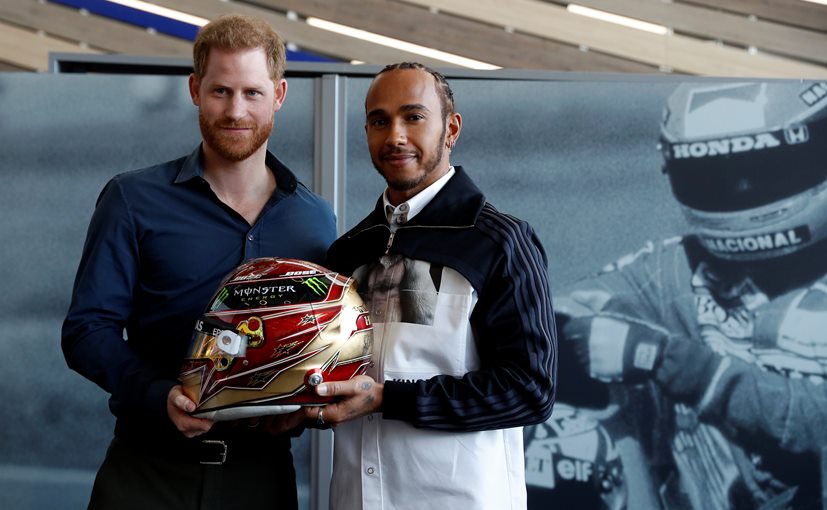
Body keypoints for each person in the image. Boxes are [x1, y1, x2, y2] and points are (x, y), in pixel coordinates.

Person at [61, 13, 336, 510]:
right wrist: (159, 395)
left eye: (252, 92)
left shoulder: (314, 219)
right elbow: (86, 331)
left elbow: (316, 342)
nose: (235, 110)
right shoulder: (132, 199)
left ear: (278, 95)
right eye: (220, 91)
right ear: (194, 89)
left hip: (263, 479)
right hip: (146, 474)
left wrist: (302, 408)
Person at [558, 81, 827, 509]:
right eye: (716, 177)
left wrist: (678, 365)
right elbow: (560, 308)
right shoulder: (676, 268)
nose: (741, 188)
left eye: (766, 170)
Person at [304, 62, 557, 510]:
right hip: (355, 498)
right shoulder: (347, 252)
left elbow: (529, 389)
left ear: (451, 129)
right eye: (380, 121)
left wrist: (388, 398)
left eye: (413, 117)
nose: (395, 136)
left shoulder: (499, 240)